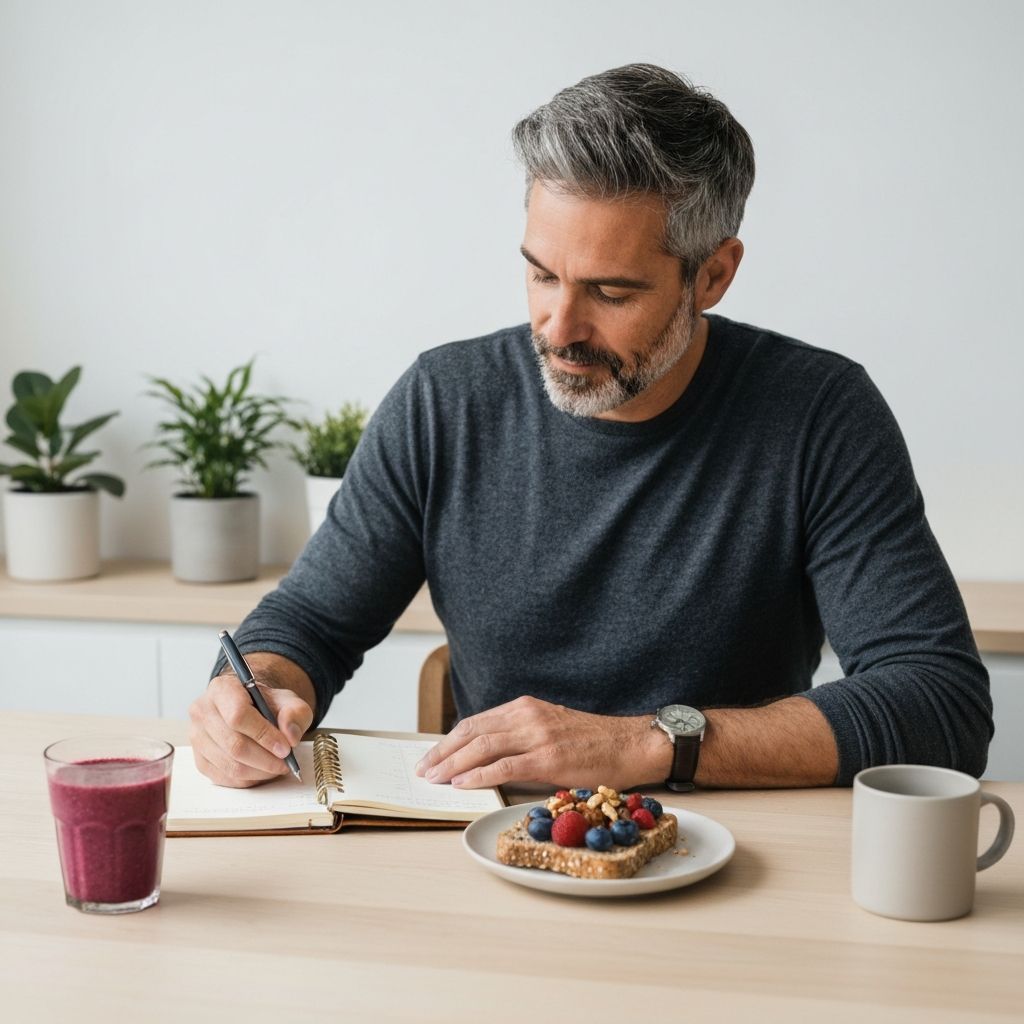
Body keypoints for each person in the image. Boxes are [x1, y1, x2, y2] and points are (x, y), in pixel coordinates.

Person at [188, 63, 992, 793]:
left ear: (713, 274)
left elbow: (939, 701)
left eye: (610, 293)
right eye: (541, 274)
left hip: (739, 854)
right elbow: (311, 624)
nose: (558, 327)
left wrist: (649, 744)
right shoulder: (445, 400)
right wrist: (254, 694)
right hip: (494, 851)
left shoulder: (819, 414)